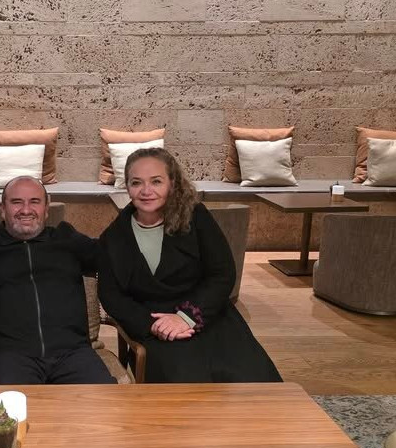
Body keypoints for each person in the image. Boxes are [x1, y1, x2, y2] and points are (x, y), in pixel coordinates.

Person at [97, 148, 282, 383]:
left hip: (208, 313)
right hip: (158, 327)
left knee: (251, 381)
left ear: (172, 184)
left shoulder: (196, 217)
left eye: (156, 181)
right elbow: (111, 295)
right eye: (136, 182)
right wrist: (151, 325)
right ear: (127, 187)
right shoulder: (113, 237)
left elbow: (222, 274)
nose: (146, 190)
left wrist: (186, 317)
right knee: (185, 385)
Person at [0, 175, 116, 385]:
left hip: (73, 353)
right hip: (9, 357)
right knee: (10, 406)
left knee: (104, 401)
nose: (26, 210)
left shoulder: (66, 239)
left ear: (46, 209)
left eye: (34, 202)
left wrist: (138, 210)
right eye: (16, 202)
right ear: (2, 209)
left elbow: (114, 258)